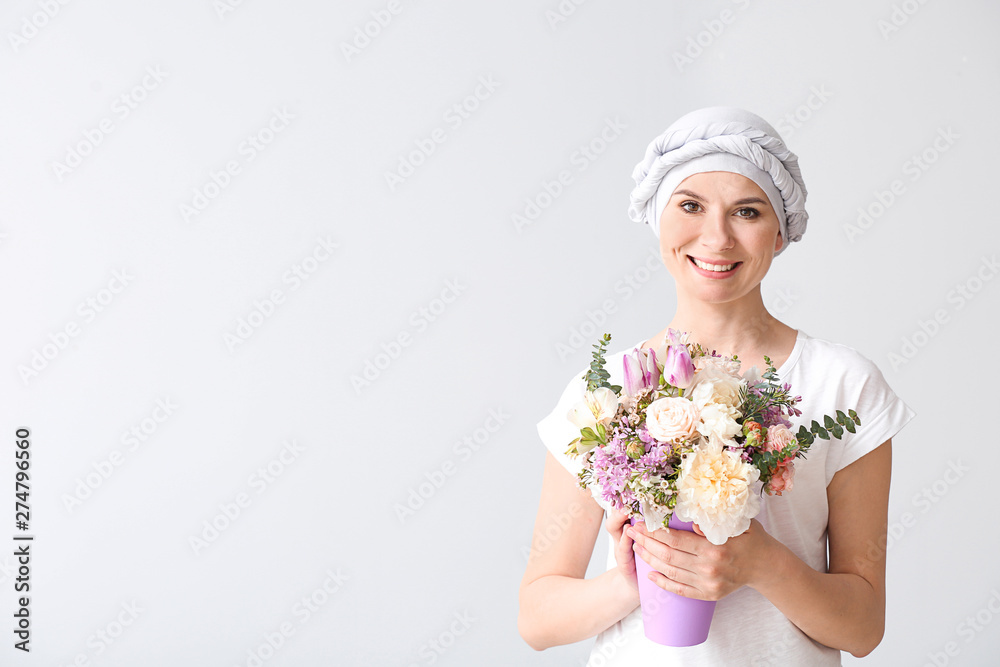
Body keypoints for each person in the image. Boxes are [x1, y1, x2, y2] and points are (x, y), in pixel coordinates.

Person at [517, 106, 915, 666]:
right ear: (659, 217)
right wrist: (638, 581)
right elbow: (537, 617)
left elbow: (863, 628)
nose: (716, 236)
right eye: (690, 206)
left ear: (779, 232)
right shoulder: (603, 394)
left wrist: (759, 563)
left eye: (746, 212)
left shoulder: (843, 386)